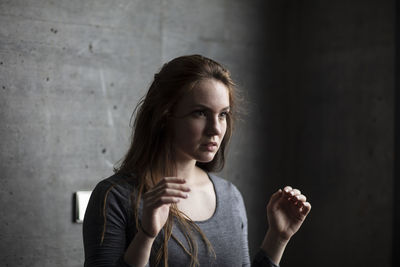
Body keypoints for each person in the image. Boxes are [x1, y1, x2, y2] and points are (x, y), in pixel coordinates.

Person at [83, 55, 311, 267]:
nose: (215, 129)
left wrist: (277, 238)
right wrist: (146, 236)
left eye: (223, 114)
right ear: (165, 116)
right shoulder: (114, 197)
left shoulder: (230, 196)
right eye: (200, 113)